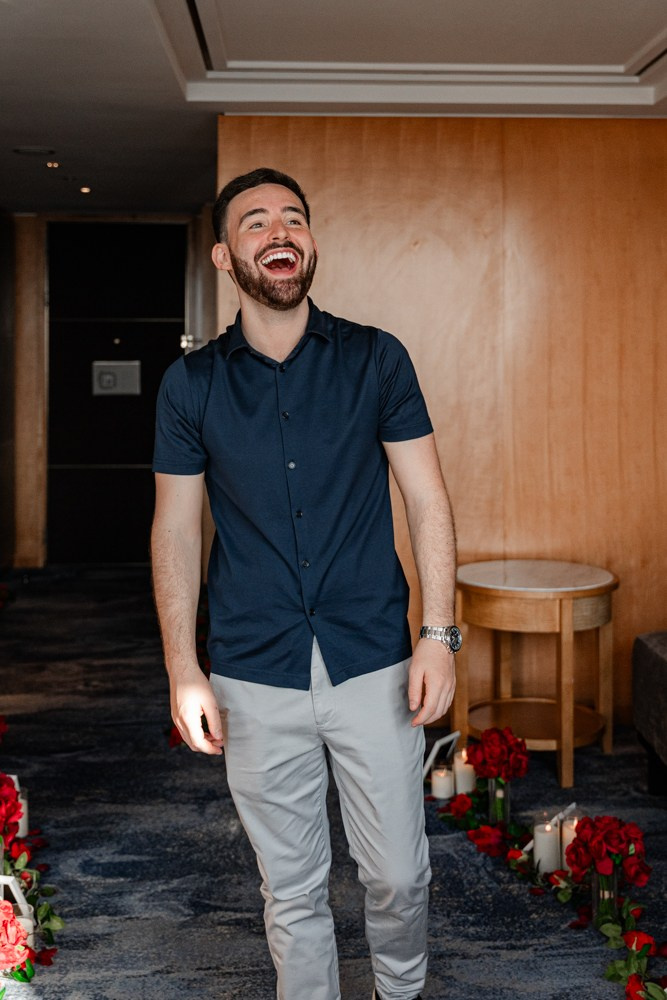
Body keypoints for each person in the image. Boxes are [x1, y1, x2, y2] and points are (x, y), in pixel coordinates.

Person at [151, 167, 459, 1000]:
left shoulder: (376, 358)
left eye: (293, 218)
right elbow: (176, 528)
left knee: (398, 874)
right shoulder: (191, 386)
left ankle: (400, 991)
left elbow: (427, 499)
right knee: (290, 890)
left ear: (310, 244)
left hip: (370, 659)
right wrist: (183, 666)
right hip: (252, 666)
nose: (278, 231)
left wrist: (438, 634)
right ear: (224, 255)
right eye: (255, 222)